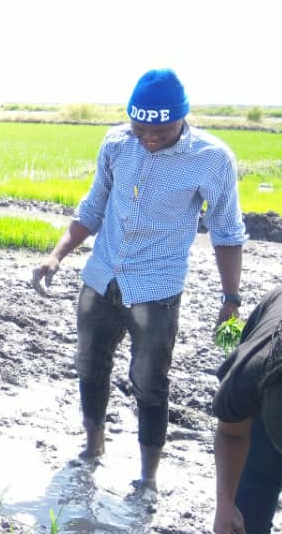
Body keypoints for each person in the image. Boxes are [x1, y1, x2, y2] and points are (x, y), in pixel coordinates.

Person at [32, 68, 246, 490]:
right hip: (100, 278)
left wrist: (231, 297)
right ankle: (93, 448)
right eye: (141, 127)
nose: (149, 137)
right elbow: (93, 207)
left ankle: (148, 477)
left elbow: (227, 231)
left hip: (155, 290)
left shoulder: (212, 158)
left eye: (161, 130)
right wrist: (56, 256)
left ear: (182, 118)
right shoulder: (116, 144)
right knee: (90, 366)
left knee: (149, 382)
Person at [212, 285, 282, 534]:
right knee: (253, 496)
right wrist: (226, 503)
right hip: (270, 386)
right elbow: (232, 434)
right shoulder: (248, 375)